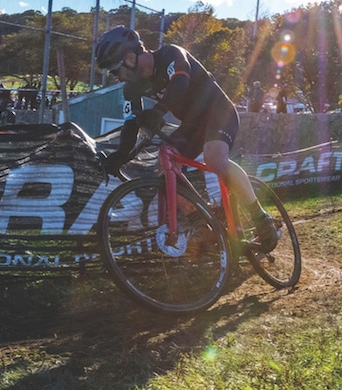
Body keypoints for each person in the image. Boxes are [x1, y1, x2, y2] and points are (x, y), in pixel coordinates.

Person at [95, 25, 279, 251]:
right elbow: (130, 124)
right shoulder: (131, 89)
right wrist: (120, 155)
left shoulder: (171, 54)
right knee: (164, 166)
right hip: (192, 124)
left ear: (130, 57)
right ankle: (202, 222)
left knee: (214, 158)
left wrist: (159, 111)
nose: (116, 77)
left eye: (115, 70)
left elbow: (180, 83)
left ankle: (261, 218)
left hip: (219, 111)